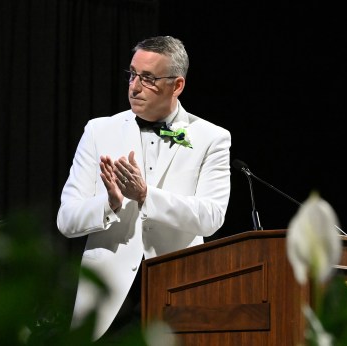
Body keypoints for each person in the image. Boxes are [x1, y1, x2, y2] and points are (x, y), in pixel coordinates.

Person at [56, 35, 231, 342]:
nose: (134, 87)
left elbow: (211, 217)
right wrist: (108, 204)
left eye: (148, 79)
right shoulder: (99, 130)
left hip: (178, 292)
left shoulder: (212, 138)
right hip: (108, 297)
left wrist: (147, 196)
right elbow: (67, 220)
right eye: (132, 75)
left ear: (177, 86)